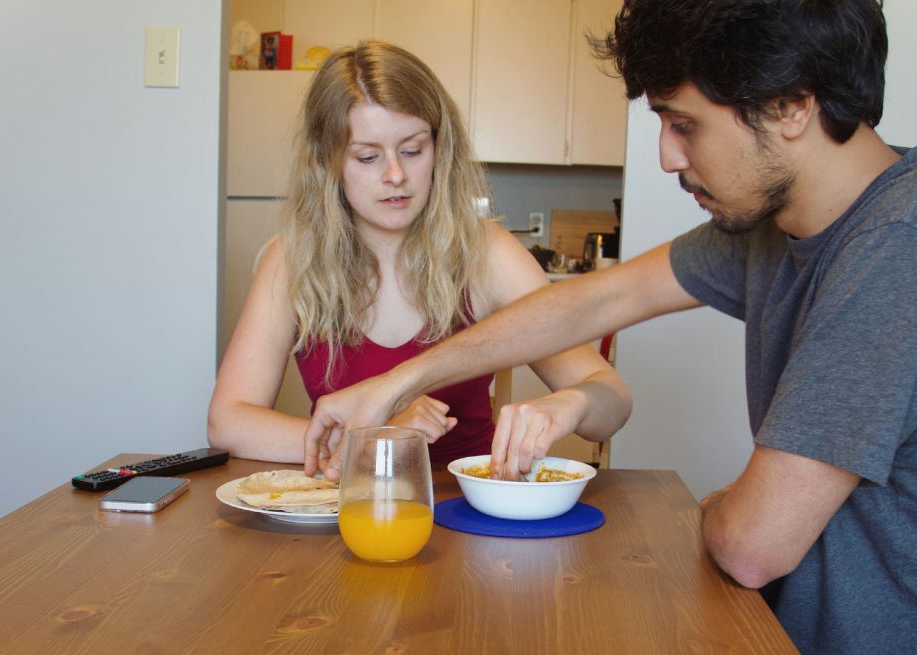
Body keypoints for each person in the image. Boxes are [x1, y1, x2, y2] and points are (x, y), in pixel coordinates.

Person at [302, 1, 917, 655]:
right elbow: (598, 298)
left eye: (683, 125)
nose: (665, 156)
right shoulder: (783, 224)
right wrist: (404, 379)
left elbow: (752, 545)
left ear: (792, 106)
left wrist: (726, 510)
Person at [208, 40, 631, 471]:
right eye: (368, 157)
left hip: (463, 512)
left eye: (412, 150)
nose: (396, 175)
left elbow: (611, 401)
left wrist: (571, 404)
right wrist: (376, 440)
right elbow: (228, 422)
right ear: (328, 161)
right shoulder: (291, 260)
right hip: (346, 508)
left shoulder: (488, 254)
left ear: (439, 148)